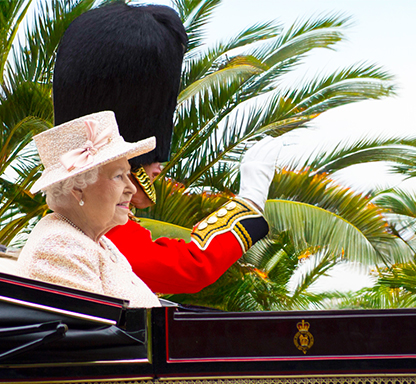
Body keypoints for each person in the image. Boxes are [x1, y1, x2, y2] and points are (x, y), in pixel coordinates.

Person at [53, 2, 282, 295]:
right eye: (120, 173)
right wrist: (249, 203)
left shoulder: (88, 220)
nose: (159, 166)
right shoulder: (101, 231)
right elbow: (191, 266)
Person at [16, 111, 161, 308]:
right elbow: (98, 333)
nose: (132, 189)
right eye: (118, 176)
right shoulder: (61, 246)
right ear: (77, 188)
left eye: (128, 174)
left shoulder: (98, 242)